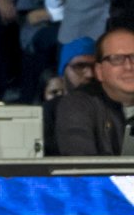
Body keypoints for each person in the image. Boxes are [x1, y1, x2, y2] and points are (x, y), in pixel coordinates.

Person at [49, 25, 134, 158]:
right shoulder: (77, 105)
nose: (129, 66)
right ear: (99, 71)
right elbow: (83, 167)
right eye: (117, 59)